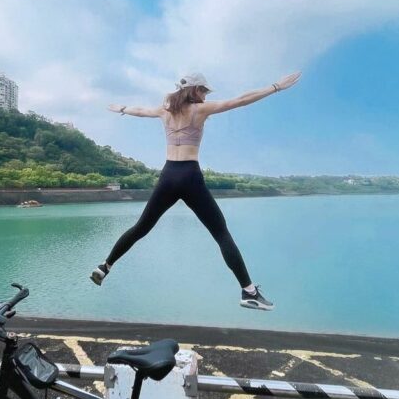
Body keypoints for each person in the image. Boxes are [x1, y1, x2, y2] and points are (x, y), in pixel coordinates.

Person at [90, 71, 301, 309]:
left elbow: (140, 110)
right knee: (221, 233)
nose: (205, 95)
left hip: (168, 176)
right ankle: (248, 292)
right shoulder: (200, 110)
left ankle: (105, 266)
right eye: (204, 91)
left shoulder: (164, 111)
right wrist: (275, 87)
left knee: (141, 227)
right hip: (190, 176)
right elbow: (240, 100)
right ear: (196, 90)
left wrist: (122, 108)